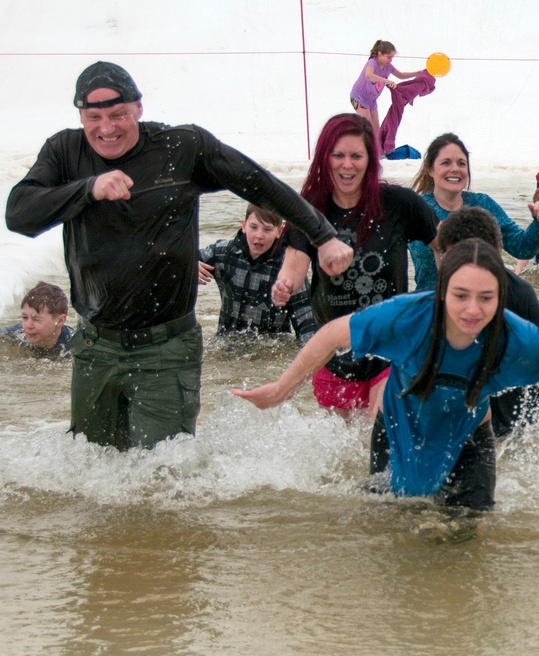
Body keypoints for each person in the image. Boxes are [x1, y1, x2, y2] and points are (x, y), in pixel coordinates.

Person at [4, 61, 349, 450]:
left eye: (117, 114)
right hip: (96, 345)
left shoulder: (182, 147)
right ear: (80, 115)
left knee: (162, 475)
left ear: (138, 107)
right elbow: (19, 214)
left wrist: (323, 235)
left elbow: (260, 184)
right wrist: (89, 189)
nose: (106, 128)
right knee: (93, 472)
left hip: (165, 346)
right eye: (93, 116)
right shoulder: (65, 151)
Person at [234, 239, 539, 511]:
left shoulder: (511, 335)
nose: (473, 309)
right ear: (441, 293)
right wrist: (283, 389)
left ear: (501, 296)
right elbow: (331, 333)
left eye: (486, 298)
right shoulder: (407, 318)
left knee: (465, 538)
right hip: (396, 432)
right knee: (395, 525)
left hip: (469, 439)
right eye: (461, 295)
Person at [271, 113, 438, 418]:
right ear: (325, 158)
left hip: (391, 346)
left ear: (370, 160)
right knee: (346, 455)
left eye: (356, 156)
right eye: (338, 155)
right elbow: (293, 268)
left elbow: (445, 247)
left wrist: (453, 295)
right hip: (334, 352)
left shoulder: (398, 203)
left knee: (380, 432)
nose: (347, 165)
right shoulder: (309, 208)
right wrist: (283, 286)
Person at [437, 206, 539, 437]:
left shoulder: (518, 292)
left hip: (514, 397)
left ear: (496, 254)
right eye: (457, 258)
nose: (469, 269)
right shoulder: (441, 292)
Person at [408, 132, 539, 291]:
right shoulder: (416, 208)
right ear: (430, 169)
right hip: (429, 305)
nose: (455, 169)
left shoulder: (483, 204)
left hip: (479, 305)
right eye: (446, 163)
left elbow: (522, 248)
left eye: (461, 163)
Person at [198, 204, 316, 346]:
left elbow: (306, 322)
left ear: (279, 231)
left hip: (271, 351)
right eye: (254, 227)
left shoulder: (289, 267)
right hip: (224, 344)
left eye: (267, 229)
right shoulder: (223, 253)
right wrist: (191, 265)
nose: (259, 236)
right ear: (244, 226)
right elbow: (176, 264)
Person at [349, 40, 422, 154]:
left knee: (376, 129)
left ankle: (378, 152)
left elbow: (401, 75)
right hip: (359, 97)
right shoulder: (372, 63)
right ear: (379, 54)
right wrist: (386, 81)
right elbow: (368, 75)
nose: (390, 60)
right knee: (367, 127)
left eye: (392, 57)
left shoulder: (388, 66)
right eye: (389, 57)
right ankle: (364, 152)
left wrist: (418, 73)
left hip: (371, 100)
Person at [1, 281, 74, 355]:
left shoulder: (75, 344)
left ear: (60, 321)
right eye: (25, 317)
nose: (28, 325)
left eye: (36, 319)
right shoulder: (18, 333)